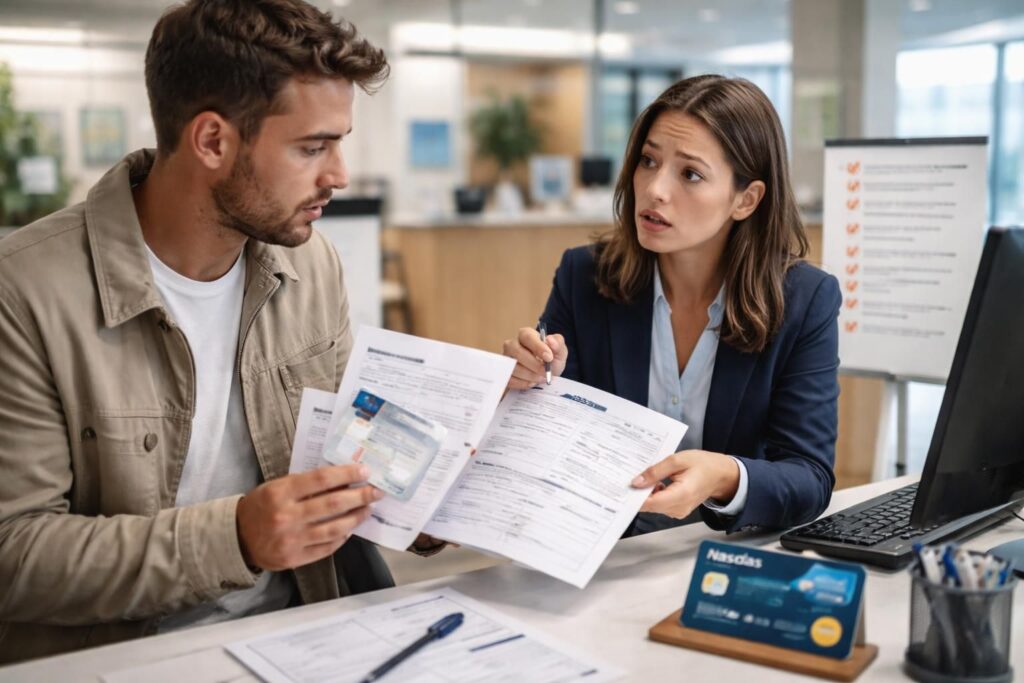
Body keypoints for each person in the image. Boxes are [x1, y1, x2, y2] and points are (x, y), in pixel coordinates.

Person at [0, 0, 433, 663]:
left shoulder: (310, 264)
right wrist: (236, 537)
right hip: (120, 658)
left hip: (302, 639)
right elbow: (14, 554)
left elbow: (350, 450)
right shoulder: (26, 291)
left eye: (338, 142)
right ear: (211, 141)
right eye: (312, 146)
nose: (338, 176)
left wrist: (435, 489)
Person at [504, 75, 841, 537]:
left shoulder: (805, 300)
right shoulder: (584, 275)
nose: (655, 189)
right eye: (648, 160)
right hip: (601, 550)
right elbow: (550, 439)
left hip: (725, 550)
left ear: (746, 199)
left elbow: (809, 477)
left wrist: (724, 478)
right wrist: (538, 382)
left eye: (690, 174)